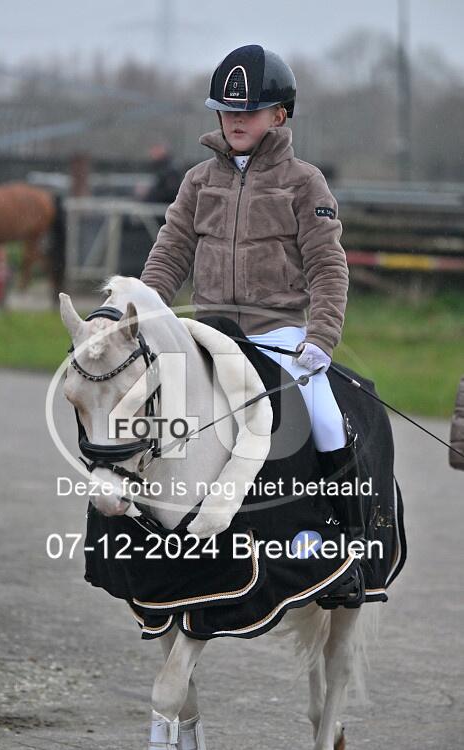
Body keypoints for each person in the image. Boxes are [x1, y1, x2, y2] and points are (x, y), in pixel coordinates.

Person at [141, 45, 365, 604]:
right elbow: (170, 253)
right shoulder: (197, 181)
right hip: (208, 329)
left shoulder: (305, 183)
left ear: (279, 115)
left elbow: (327, 266)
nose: (236, 120)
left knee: (326, 418)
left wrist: (321, 337)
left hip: (278, 333)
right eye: (227, 110)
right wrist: (141, 313)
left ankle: (349, 549)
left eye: (250, 111)